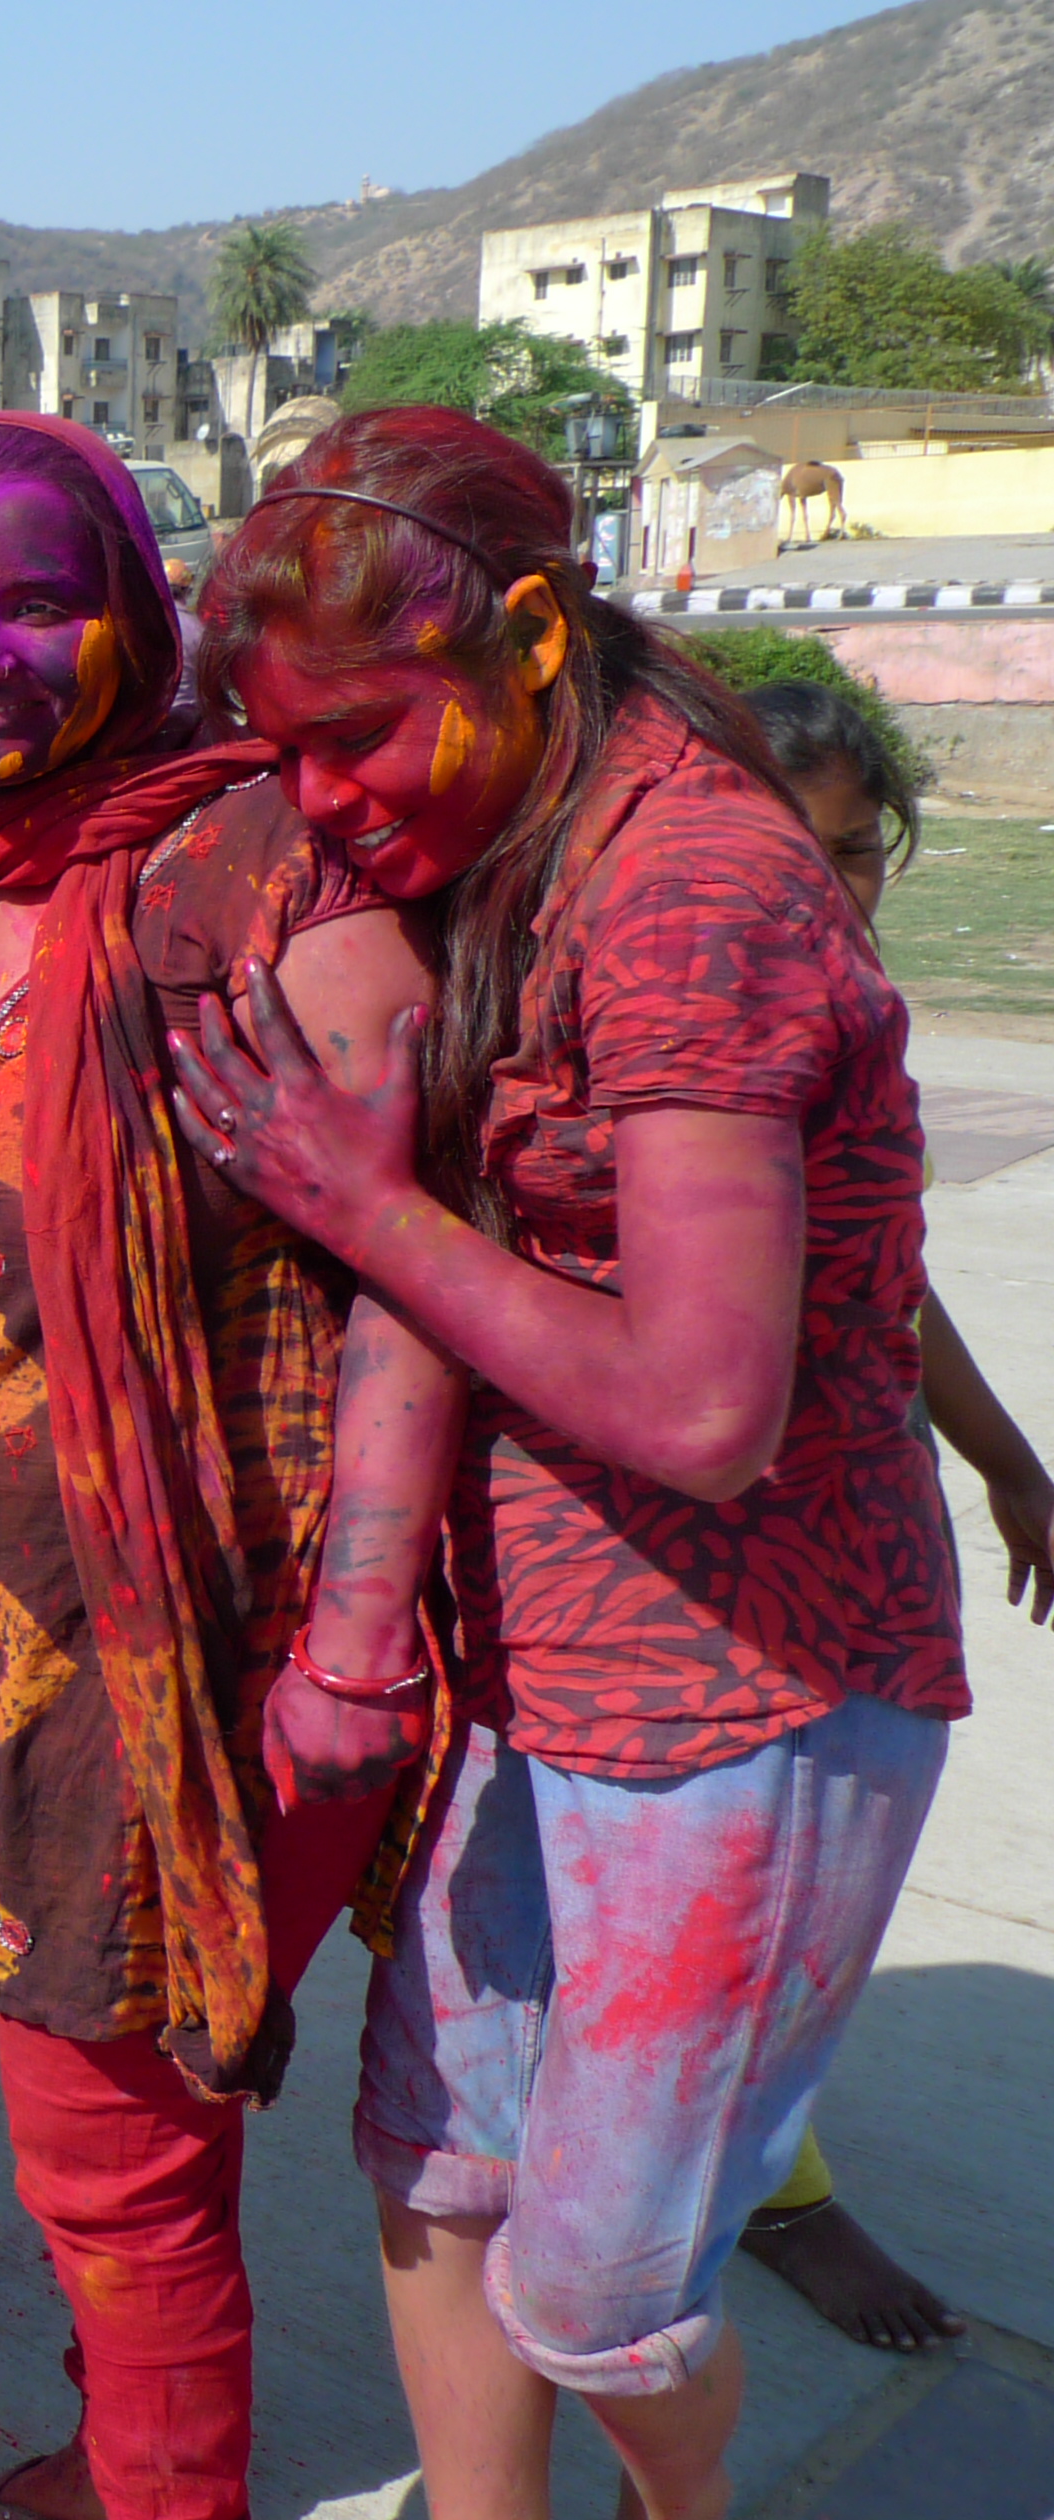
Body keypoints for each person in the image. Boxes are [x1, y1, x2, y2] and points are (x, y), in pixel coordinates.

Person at [178, 406, 965, 2520]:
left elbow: (705, 1411)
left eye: (358, 737)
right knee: (437, 2167)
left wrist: (365, 1211)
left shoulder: (690, 891)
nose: (319, 803)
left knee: (602, 2293)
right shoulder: (526, 854)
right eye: (280, 755)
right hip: (550, 1668)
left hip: (747, 1691)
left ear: (534, 637)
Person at [0, 413, 446, 2520]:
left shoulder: (254, 868)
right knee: (92, 2136)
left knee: (120, 2159)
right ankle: (124, 2462)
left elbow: (412, 1266)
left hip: (206, 1640)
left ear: (133, 609)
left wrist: (354, 1637)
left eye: (37, 600)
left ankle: (158, 2495)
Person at [714, 677, 1038, 2355]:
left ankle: (773, 2166)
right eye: (788, 848)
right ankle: (761, 2191)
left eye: (854, 853)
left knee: (823, 1885)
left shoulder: (863, 1031)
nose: (827, 891)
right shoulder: (657, 1030)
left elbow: (891, 1282)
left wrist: (1006, 1460)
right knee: (712, 1885)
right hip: (705, 1553)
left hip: (866, 1530)